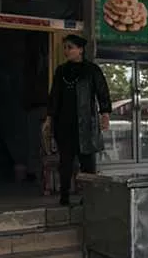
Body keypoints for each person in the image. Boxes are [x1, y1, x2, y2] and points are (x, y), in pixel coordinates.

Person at [45, 34, 112, 205]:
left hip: (86, 123)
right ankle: (64, 196)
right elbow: (55, 96)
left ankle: (88, 197)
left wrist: (105, 114)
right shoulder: (61, 71)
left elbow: (102, 92)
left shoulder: (91, 70)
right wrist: (49, 118)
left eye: (70, 47)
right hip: (64, 123)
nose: (67, 51)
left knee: (87, 163)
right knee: (65, 162)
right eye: (65, 47)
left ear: (80, 49)